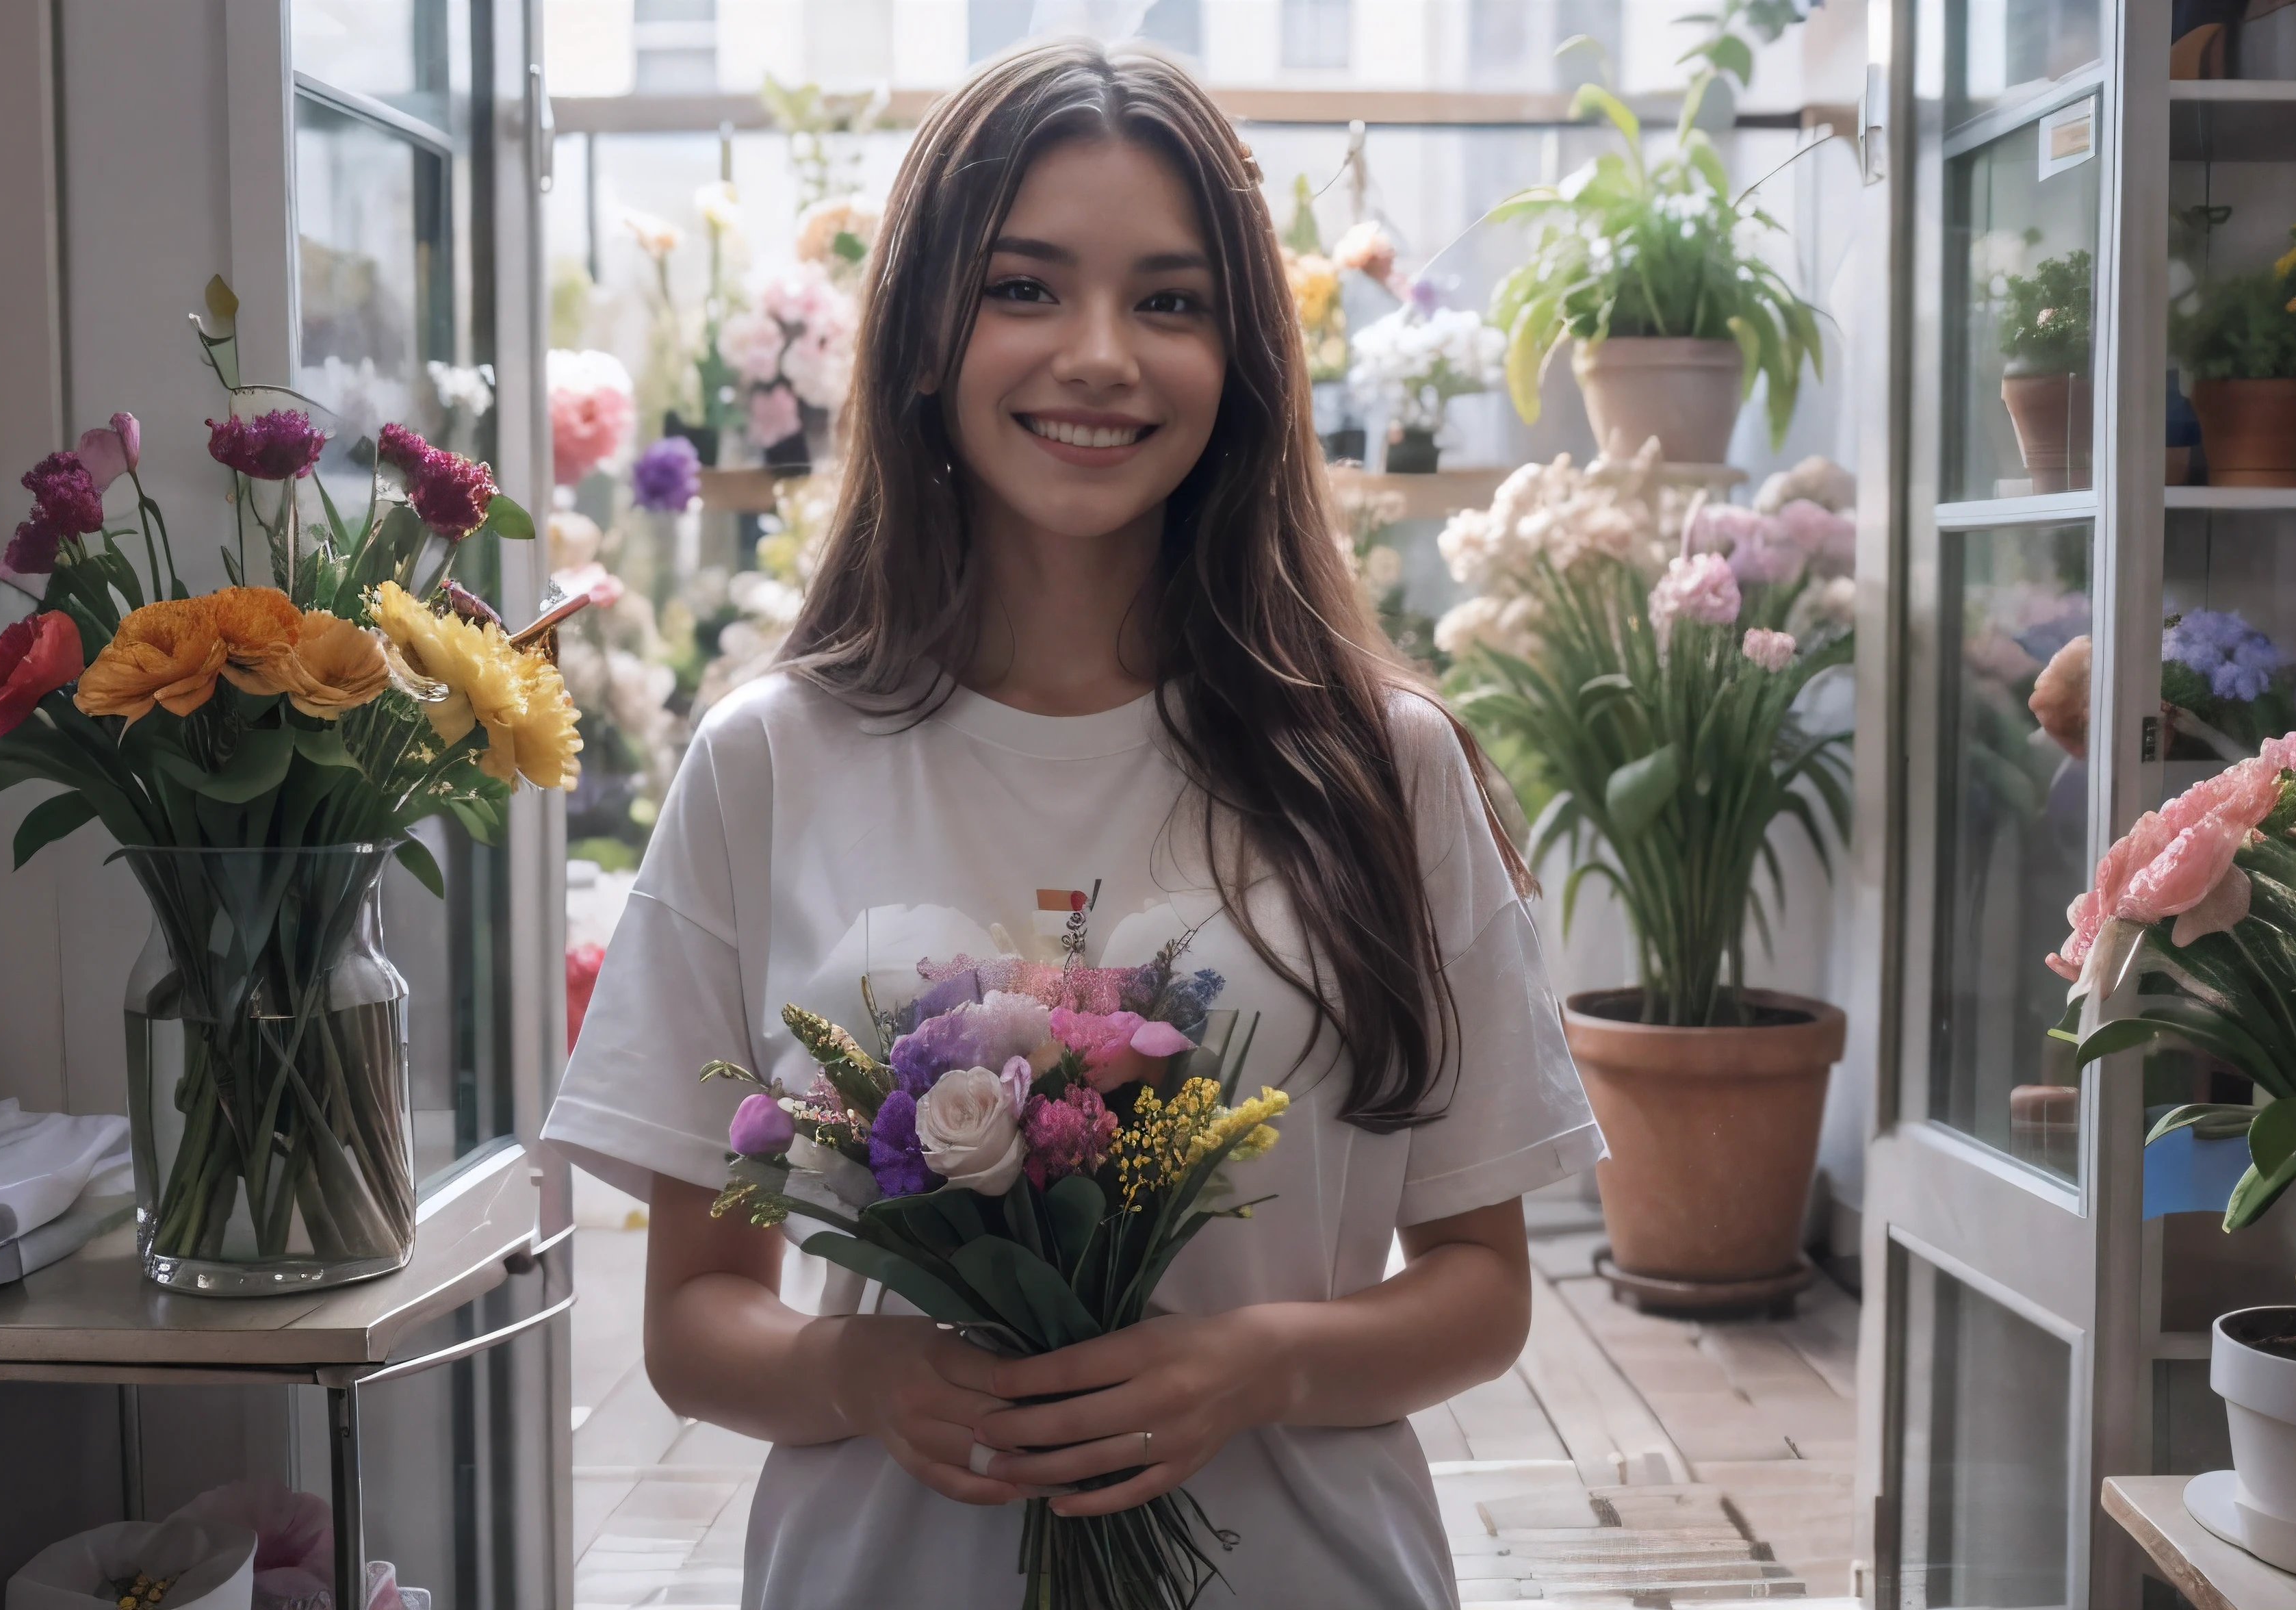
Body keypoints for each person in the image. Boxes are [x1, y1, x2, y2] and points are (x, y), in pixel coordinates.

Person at [544, 38, 1603, 1610]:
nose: (1100, 355)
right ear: (920, 337)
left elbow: (1482, 1292)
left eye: (1170, 302)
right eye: (1025, 288)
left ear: (1243, 360)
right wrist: (861, 1378)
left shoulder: (1383, 766)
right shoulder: (769, 759)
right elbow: (696, 1318)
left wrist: (1255, 1365)